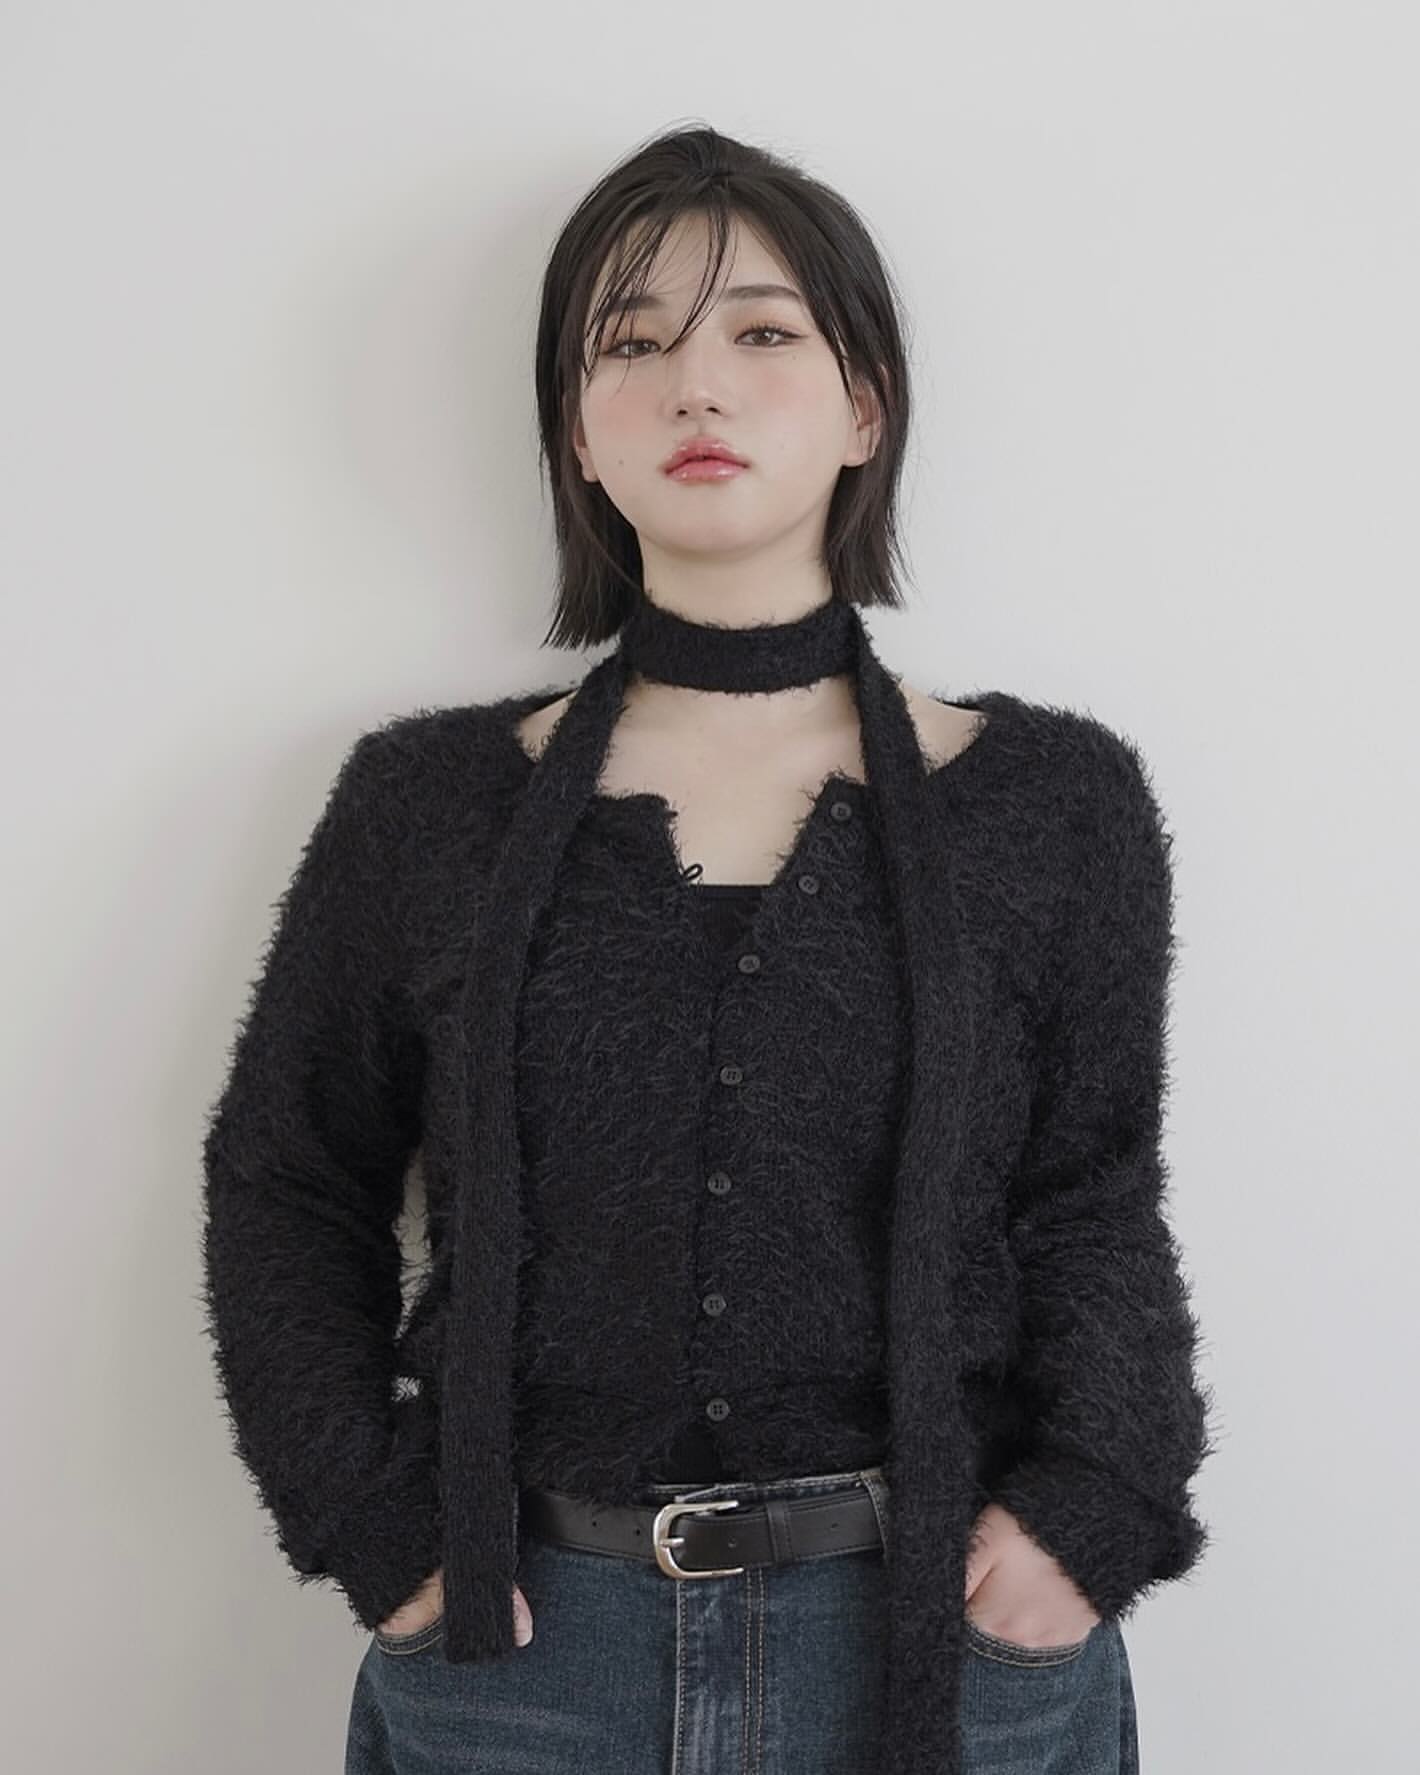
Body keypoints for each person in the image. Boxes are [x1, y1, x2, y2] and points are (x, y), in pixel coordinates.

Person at [200, 125, 1214, 1775]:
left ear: (864, 406)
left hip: (940, 1639)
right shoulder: (423, 803)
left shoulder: (1053, 803)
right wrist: (375, 1529)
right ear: (576, 428)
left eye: (762, 332)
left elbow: (1091, 1192)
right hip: (530, 1660)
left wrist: (1093, 1511)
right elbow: (290, 1178)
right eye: (632, 341)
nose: (697, 387)